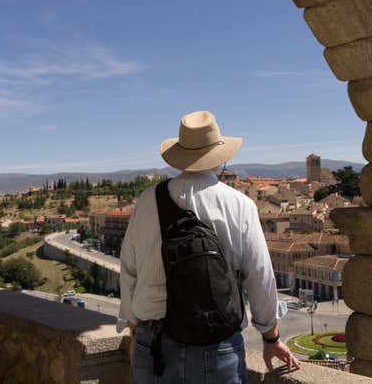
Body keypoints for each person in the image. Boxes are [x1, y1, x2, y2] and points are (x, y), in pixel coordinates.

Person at [119, 110, 300, 384]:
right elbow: (260, 276)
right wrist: (270, 336)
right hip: (216, 347)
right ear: (221, 157)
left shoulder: (147, 201)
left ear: (180, 154)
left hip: (152, 344)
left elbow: (129, 270)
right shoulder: (239, 205)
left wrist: (134, 330)